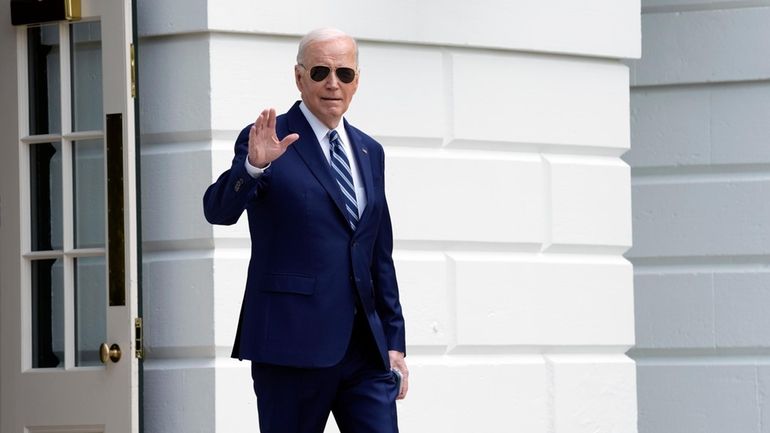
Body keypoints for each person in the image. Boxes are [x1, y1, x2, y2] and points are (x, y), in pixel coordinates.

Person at [203, 28, 408, 433]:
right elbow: (218, 211)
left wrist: (394, 340)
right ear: (299, 77)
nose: (333, 83)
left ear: (356, 81)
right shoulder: (268, 137)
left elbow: (377, 254)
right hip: (290, 344)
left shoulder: (370, 150)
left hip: (364, 351)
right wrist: (252, 168)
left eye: (344, 74)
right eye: (320, 72)